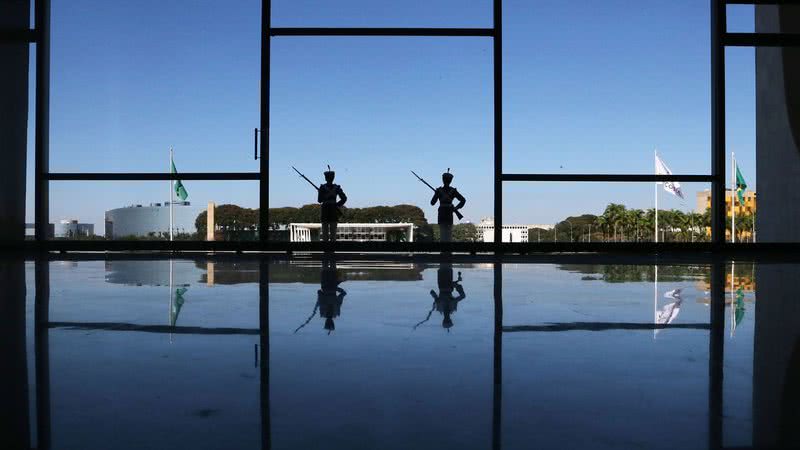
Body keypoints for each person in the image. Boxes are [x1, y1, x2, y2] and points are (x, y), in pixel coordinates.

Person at [414, 263, 466, 330]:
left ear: (444, 320)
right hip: (448, 285)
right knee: (447, 268)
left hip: (442, 285)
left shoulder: (441, 308)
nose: (447, 319)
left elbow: (435, 298)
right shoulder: (450, 307)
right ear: (450, 320)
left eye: (446, 320)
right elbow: (462, 296)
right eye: (449, 320)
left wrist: (433, 294)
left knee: (443, 268)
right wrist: (456, 286)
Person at [430, 169, 466, 242]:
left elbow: (432, 203)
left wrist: (436, 194)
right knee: (448, 234)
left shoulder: (439, 191)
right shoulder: (453, 191)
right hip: (449, 213)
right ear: (451, 180)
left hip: (442, 213)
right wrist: (456, 208)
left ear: (443, 180)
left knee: (443, 233)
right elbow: (463, 200)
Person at [318, 166, 347, 242]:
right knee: (333, 234)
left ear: (326, 178)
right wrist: (337, 205)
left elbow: (319, 200)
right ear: (333, 178)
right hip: (334, 211)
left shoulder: (322, 187)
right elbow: (344, 198)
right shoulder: (337, 187)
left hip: (325, 211)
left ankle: (326, 251)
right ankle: (332, 251)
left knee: (325, 234)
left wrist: (322, 194)